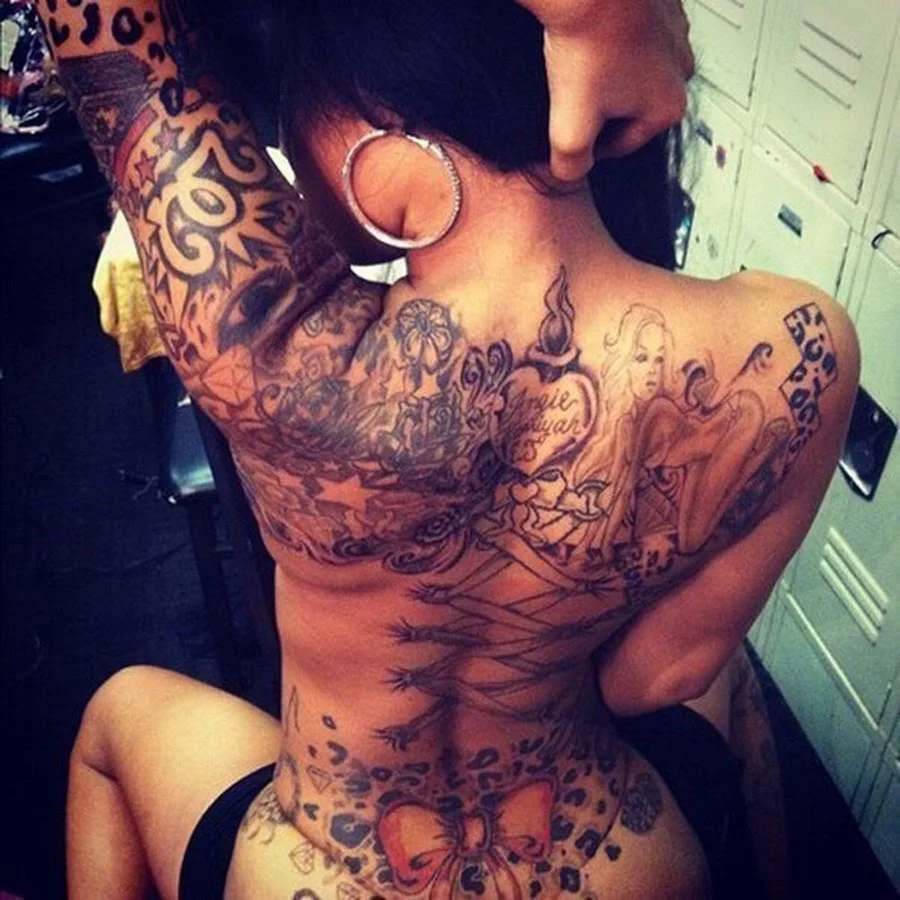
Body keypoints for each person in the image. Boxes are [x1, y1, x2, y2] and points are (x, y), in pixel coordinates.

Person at [36, 1, 856, 898]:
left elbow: (109, 28)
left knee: (115, 714)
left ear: (375, 128)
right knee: (726, 672)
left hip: (328, 871)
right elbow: (651, 678)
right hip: (608, 858)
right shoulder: (799, 347)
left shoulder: (273, 351)